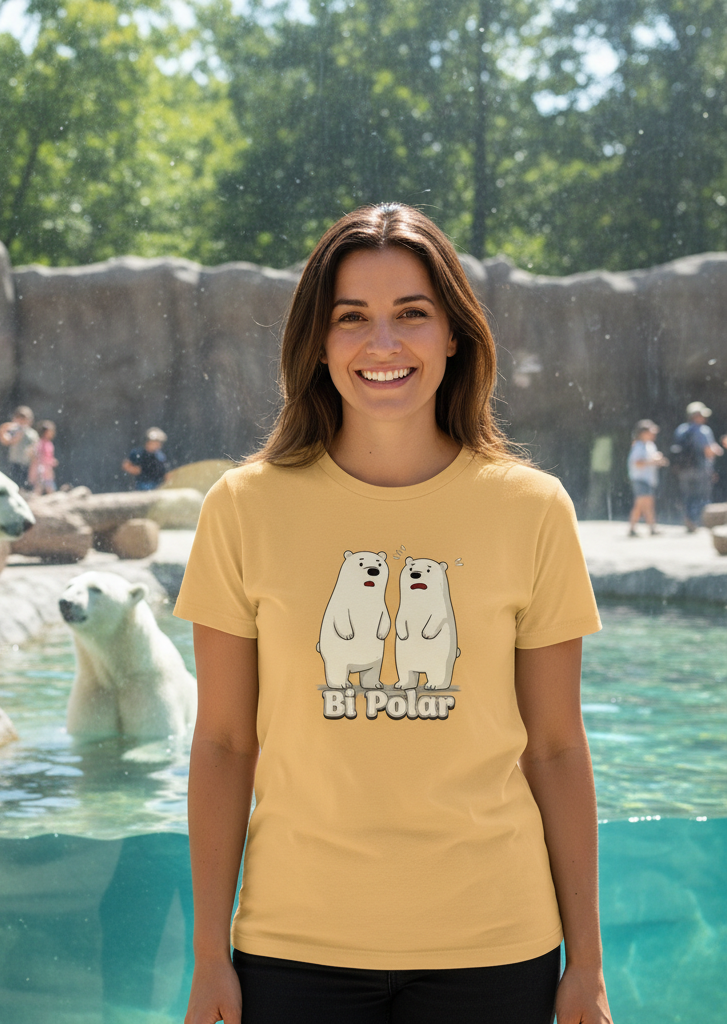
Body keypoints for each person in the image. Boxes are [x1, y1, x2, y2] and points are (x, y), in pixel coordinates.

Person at [175, 204, 613, 1024]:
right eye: (352, 320)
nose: (383, 344)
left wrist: (586, 963)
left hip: (497, 946)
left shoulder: (532, 508)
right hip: (292, 949)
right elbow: (227, 743)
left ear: (455, 334)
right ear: (317, 342)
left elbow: (555, 747)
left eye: (412, 314)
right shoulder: (242, 508)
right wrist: (209, 957)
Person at [671, 401, 723, 531]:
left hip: (684, 470)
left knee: (687, 495)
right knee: (702, 496)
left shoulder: (681, 429)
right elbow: (708, 451)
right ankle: (701, 521)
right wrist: (717, 450)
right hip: (701, 468)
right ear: (697, 415)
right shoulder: (703, 430)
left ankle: (689, 519)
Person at [626, 419, 668, 537]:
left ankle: (637, 527)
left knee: (643, 505)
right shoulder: (638, 446)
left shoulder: (650, 445)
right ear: (643, 433)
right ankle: (649, 527)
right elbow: (638, 462)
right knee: (644, 503)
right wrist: (653, 461)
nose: (653, 434)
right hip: (640, 479)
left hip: (648, 479)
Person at [0, 406, 39, 489]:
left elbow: (35, 449)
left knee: (26, 484)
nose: (21, 420)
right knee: (15, 483)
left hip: (27, 463)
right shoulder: (13, 430)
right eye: (18, 417)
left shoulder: (32, 433)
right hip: (15, 462)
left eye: (23, 418)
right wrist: (3, 429)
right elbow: (5, 441)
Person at [29, 419, 59, 495]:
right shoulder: (40, 443)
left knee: (48, 487)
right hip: (41, 470)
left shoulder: (48, 443)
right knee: (39, 488)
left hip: (47, 470)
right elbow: (39, 456)